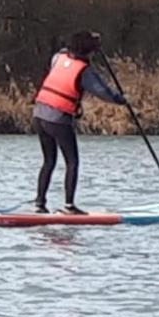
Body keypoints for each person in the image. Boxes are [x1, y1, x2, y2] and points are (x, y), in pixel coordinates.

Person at [32, 31, 128, 214]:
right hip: (58, 119)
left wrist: (91, 41)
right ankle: (69, 206)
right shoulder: (83, 70)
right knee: (72, 162)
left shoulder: (58, 58)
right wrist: (120, 100)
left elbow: (65, 53)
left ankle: (39, 203)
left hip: (39, 115)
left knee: (49, 161)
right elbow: (101, 91)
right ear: (89, 51)